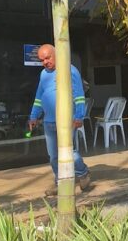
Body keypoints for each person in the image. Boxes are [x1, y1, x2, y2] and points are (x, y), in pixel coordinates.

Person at [27, 44, 92, 196]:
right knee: (53, 156)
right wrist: (33, 116)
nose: (45, 62)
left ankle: (83, 173)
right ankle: (59, 184)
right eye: (42, 60)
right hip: (49, 122)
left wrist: (79, 116)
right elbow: (39, 96)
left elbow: (79, 95)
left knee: (70, 152)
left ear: (56, 55)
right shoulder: (43, 74)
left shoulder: (70, 70)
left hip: (67, 121)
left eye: (47, 58)